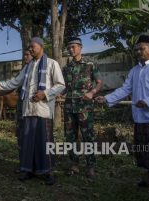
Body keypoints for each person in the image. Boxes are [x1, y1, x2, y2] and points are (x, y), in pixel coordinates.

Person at [95, 35, 149, 194]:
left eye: (142, 48)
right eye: (136, 49)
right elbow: (125, 89)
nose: (138, 51)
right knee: (145, 149)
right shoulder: (135, 70)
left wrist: (148, 101)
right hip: (140, 117)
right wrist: (107, 98)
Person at [0, 37, 65, 185]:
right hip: (28, 109)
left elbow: (60, 85)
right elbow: (14, 82)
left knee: (45, 141)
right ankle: (29, 170)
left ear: (41, 46)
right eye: (29, 47)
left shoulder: (52, 63)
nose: (30, 49)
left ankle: (48, 172)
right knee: (28, 142)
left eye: (32, 46)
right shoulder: (28, 66)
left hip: (43, 109)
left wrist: (44, 94)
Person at [62, 37, 102, 182]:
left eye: (73, 47)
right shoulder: (66, 68)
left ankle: (90, 165)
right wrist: (57, 94)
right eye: (69, 47)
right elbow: (65, 87)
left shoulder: (90, 64)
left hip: (85, 106)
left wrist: (92, 93)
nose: (71, 49)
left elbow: (99, 83)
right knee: (70, 136)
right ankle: (74, 163)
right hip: (69, 106)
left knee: (88, 136)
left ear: (80, 47)